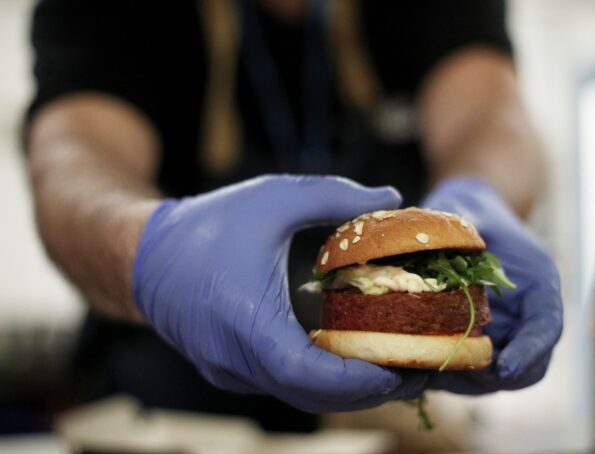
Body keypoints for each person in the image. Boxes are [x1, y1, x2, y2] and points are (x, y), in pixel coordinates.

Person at [25, 0, 562, 432]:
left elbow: (490, 112)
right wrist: (149, 248)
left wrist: (479, 193)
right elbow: (73, 157)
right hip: (162, 416)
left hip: (381, 413)